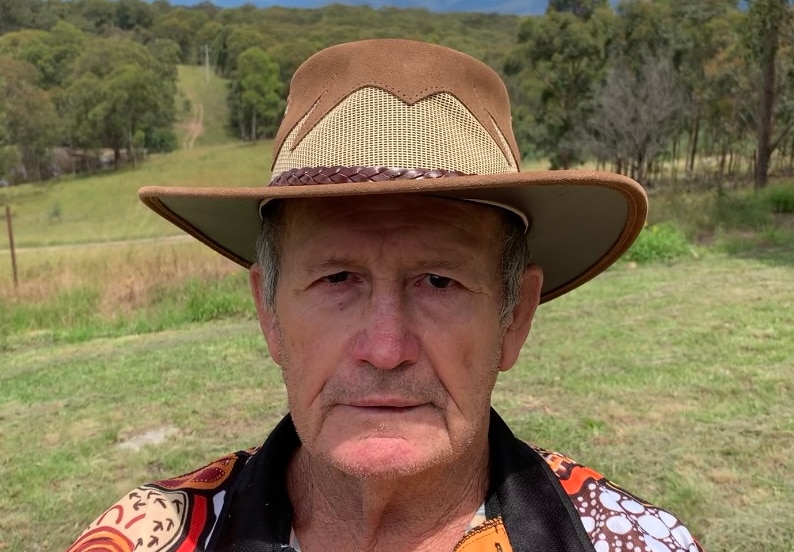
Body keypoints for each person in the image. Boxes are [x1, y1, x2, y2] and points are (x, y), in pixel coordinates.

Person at [67, 39, 703, 552]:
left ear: (515, 318)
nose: (385, 347)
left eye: (440, 281)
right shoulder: (142, 536)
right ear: (269, 313)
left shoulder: (633, 543)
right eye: (337, 279)